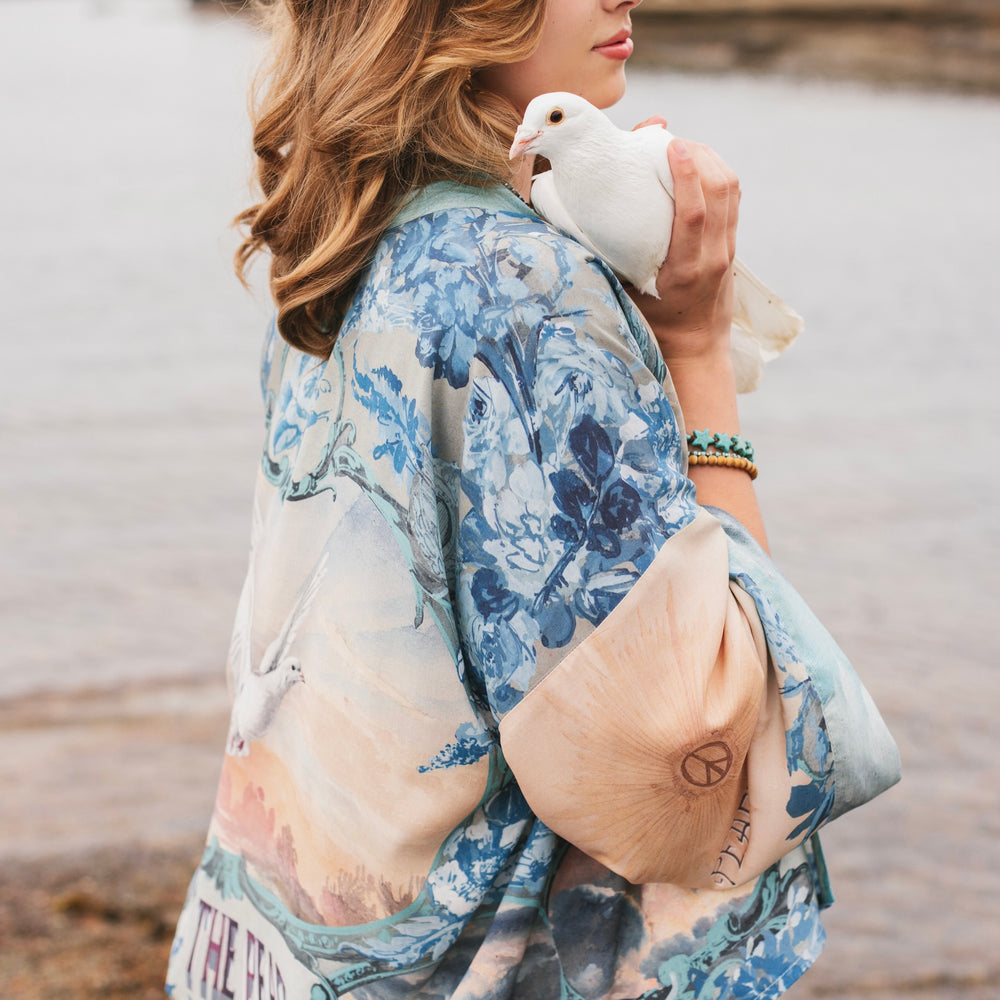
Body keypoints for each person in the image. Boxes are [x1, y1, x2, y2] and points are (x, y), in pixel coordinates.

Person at [166, 0, 899, 998]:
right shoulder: (524, 286)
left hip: (282, 948)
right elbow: (704, 753)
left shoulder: (347, 243)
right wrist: (695, 349)